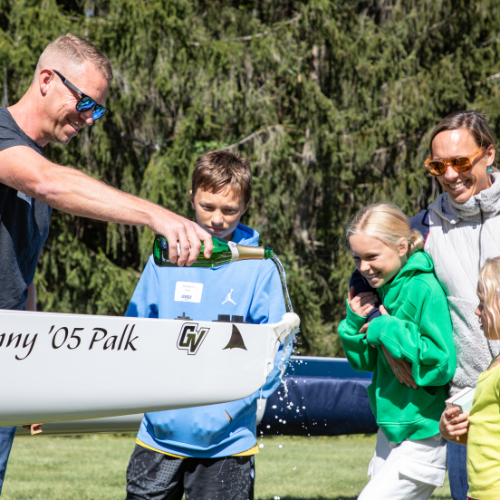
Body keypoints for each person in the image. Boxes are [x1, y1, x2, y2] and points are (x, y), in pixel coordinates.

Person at [0, 33, 212, 494]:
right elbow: (50, 183)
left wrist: (29, 375)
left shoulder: (37, 179)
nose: (89, 119)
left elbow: (22, 281)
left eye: (97, 110)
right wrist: (156, 215)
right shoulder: (11, 148)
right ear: (45, 80)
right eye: (85, 103)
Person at [351, 110, 500, 500]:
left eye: (460, 162)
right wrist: (380, 327)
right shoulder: (423, 228)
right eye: (438, 165)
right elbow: (369, 269)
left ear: (489, 154)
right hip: (463, 407)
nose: (449, 175)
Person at [124, 150, 289, 500]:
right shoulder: (165, 258)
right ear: (191, 198)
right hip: (158, 435)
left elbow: (278, 345)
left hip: (227, 444)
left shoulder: (261, 267)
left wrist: (239, 404)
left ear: (245, 205)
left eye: (229, 210)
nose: (217, 219)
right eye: (206, 206)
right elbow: (135, 329)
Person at [339, 203, 456, 500]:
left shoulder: (424, 288)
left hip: (424, 434)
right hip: (389, 430)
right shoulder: (379, 289)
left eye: (372, 256)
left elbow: (440, 362)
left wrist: (385, 329)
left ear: (402, 246)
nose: (363, 267)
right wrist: (354, 323)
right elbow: (362, 361)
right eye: (356, 258)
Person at [440, 257, 500, 500]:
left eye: (483, 303)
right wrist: (452, 429)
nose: (476, 310)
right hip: (480, 492)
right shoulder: (494, 364)